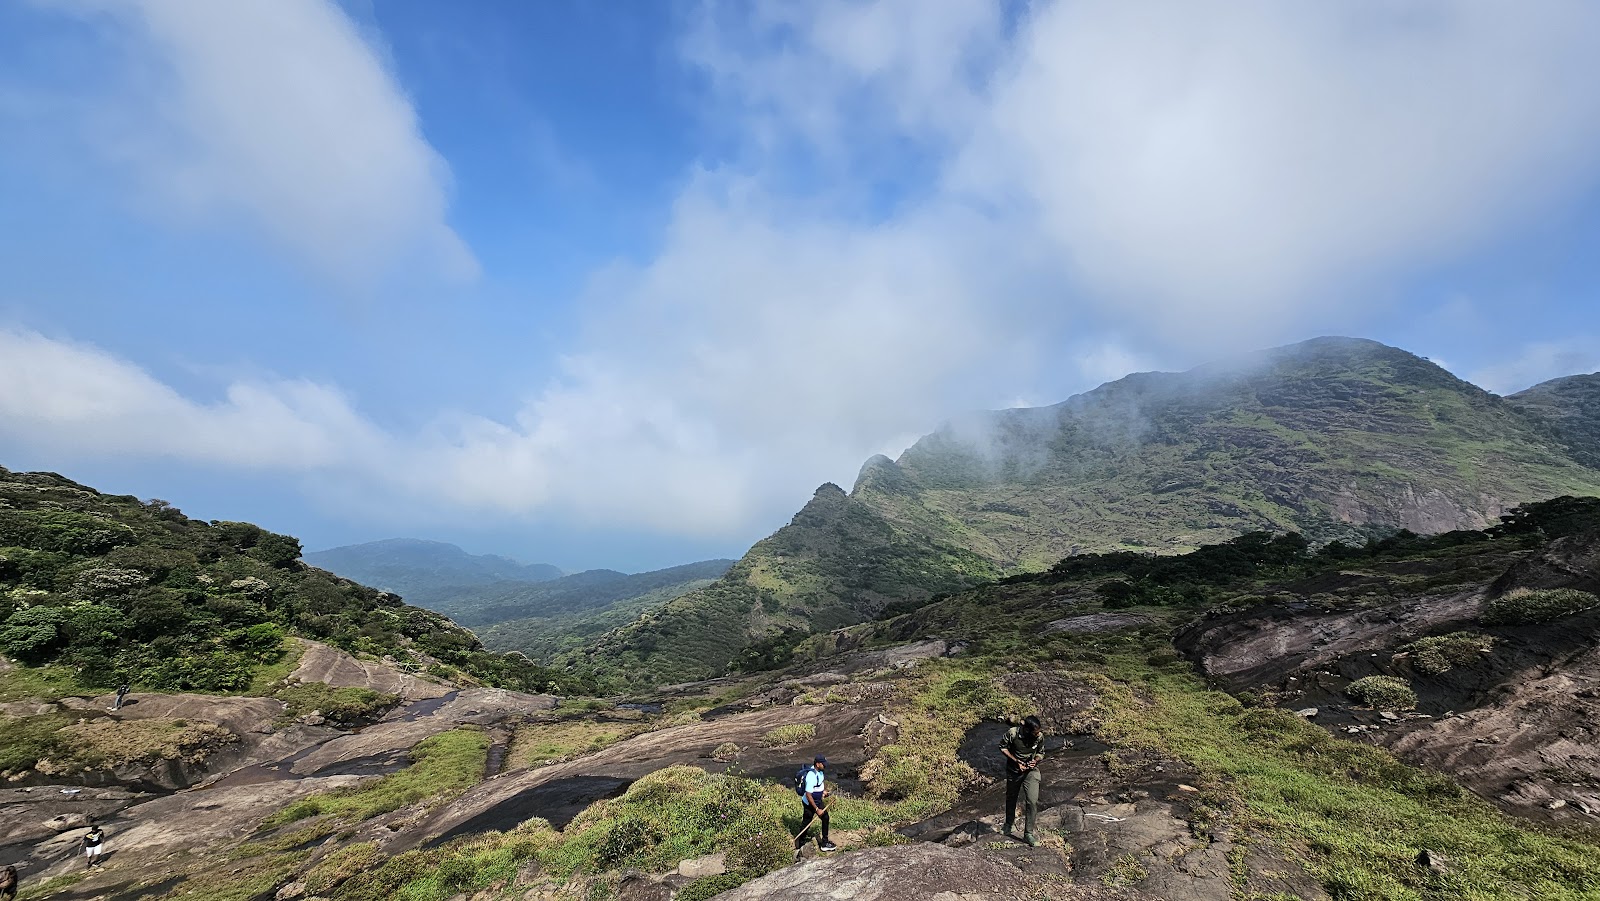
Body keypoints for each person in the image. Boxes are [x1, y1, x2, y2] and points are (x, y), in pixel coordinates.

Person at [1000, 715, 1046, 846]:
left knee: (1032, 801)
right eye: (1034, 732)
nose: (1037, 734)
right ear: (1026, 730)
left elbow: (1041, 752)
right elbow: (1002, 747)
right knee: (1011, 797)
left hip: (1031, 771)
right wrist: (1016, 761)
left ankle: (1028, 834)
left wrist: (1035, 761)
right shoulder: (1013, 733)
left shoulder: (1039, 737)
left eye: (1038, 732)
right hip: (1014, 771)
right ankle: (1009, 824)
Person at [793, 754, 837, 856]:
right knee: (806, 822)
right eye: (823, 764)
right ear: (817, 764)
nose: (825, 766)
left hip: (817, 801)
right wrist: (817, 809)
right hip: (810, 803)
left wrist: (823, 792)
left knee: (825, 817)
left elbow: (818, 785)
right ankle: (800, 844)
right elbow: (808, 794)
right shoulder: (811, 776)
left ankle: (824, 843)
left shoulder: (820, 772)